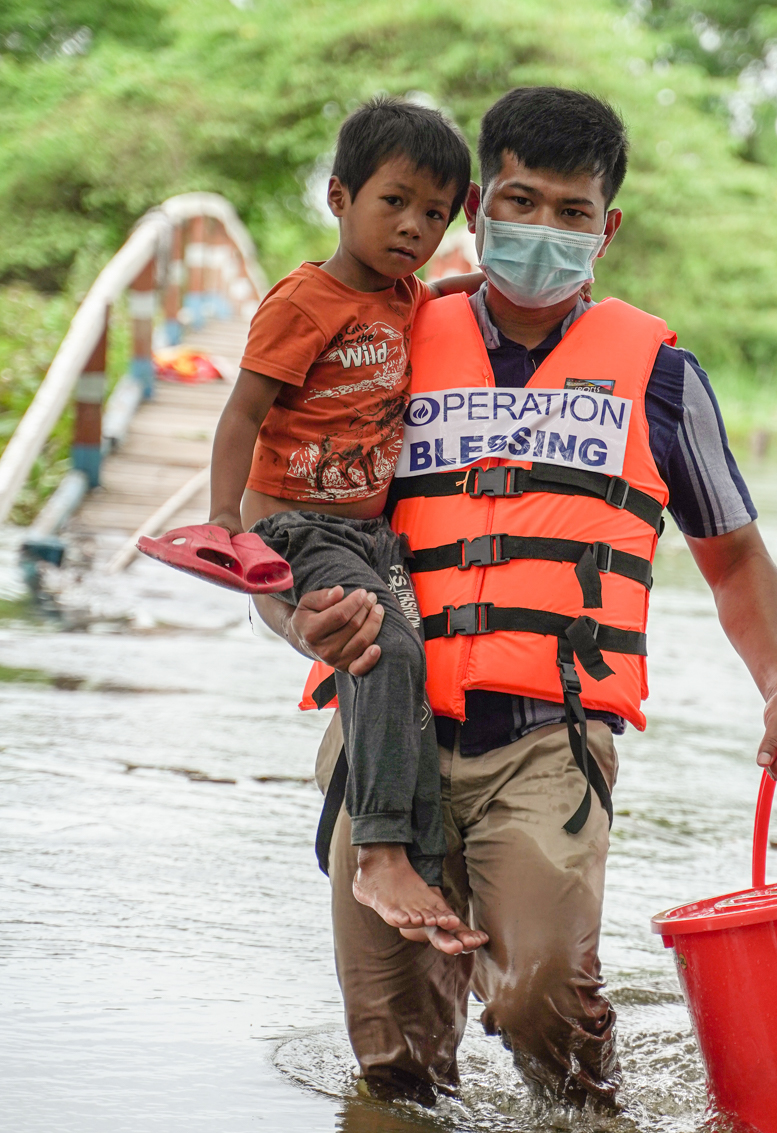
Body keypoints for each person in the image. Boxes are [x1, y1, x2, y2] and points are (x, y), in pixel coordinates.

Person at [255, 87, 777, 1109]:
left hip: (547, 740)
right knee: (394, 1061)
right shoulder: (380, 340)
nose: (545, 228)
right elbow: (286, 522)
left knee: (542, 1005)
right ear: (478, 209)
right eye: (521, 202)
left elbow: (735, 558)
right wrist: (296, 621)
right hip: (387, 735)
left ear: (608, 229)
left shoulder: (661, 377)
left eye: (573, 212)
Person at [208, 97, 488, 955]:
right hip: (297, 525)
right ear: (339, 196)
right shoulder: (303, 301)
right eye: (394, 202)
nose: (414, 227)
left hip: (366, 534)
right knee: (381, 650)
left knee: (414, 664)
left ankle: (420, 859)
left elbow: (428, 298)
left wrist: (476, 289)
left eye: (435, 214)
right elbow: (241, 413)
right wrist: (223, 523)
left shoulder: (405, 297)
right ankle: (379, 853)